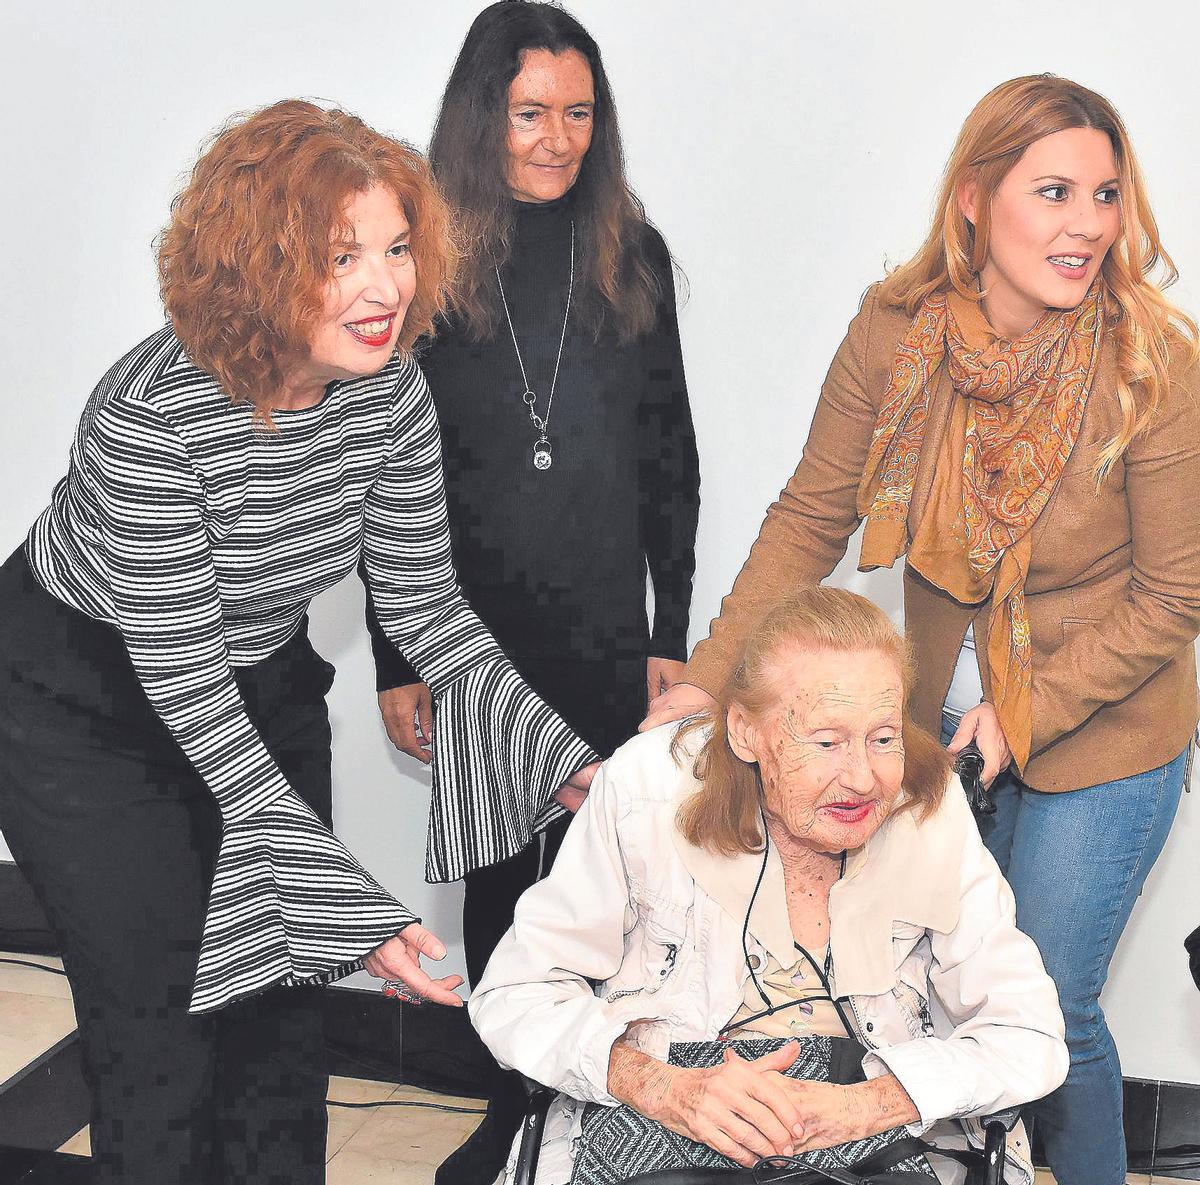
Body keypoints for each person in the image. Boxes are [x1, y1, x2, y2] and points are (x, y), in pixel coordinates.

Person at [0, 100, 597, 1185]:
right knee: (163, 1024)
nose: (386, 287)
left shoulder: (392, 397)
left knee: (280, 1019)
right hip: (79, 703)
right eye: (342, 257)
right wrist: (345, 902)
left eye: (398, 248)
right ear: (256, 269)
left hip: (256, 669)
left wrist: (564, 766)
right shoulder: (149, 416)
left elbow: (426, 604)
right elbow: (182, 686)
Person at [643, 75, 1200, 1185]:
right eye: (1053, 192)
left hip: (1110, 727)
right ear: (973, 199)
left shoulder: (1154, 360)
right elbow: (811, 516)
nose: (1087, 223)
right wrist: (708, 682)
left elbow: (1177, 594)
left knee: (1041, 1001)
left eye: (1103, 193)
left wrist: (1023, 710)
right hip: (933, 729)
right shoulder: (898, 333)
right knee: (935, 999)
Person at [362, 3, 699, 1178]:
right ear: (480, 118)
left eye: (577, 113)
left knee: (612, 884)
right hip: (468, 635)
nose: (555, 138)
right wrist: (395, 654)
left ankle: (599, 1113)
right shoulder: (424, 262)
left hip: (609, 632)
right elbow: (379, 474)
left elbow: (672, 460)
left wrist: (674, 632)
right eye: (528, 113)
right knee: (505, 886)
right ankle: (514, 1113)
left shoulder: (633, 254)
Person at [472, 588, 1068, 1185]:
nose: (862, 777)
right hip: (672, 1098)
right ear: (745, 732)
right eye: (826, 741)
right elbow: (513, 994)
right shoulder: (645, 789)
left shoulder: (927, 806)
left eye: (883, 736)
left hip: (865, 1109)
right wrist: (663, 1088)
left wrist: (862, 1107)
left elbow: (1030, 1034)